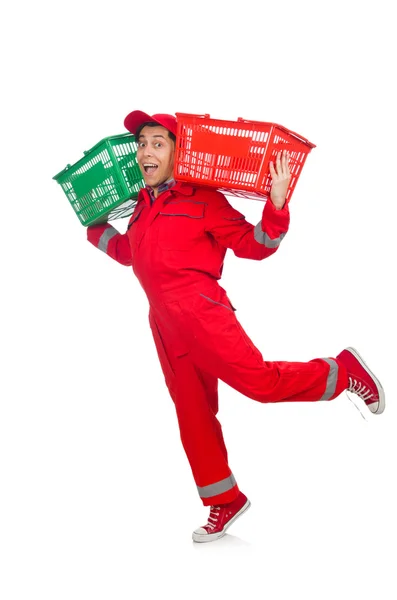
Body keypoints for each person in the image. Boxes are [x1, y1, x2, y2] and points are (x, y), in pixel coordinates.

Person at [87, 110, 385, 543]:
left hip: (202, 314)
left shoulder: (203, 200)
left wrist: (277, 204)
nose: (144, 151)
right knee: (192, 414)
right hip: (165, 325)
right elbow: (130, 254)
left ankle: (341, 372)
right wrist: (93, 230)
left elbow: (255, 246)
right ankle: (224, 499)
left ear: (178, 152)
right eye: (141, 143)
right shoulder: (142, 207)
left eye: (157, 142)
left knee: (259, 383)